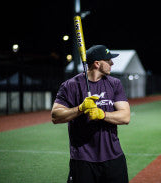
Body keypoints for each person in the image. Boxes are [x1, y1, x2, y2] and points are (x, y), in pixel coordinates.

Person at [51, 45, 130, 183]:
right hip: (82, 159)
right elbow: (55, 116)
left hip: (113, 157)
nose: (112, 63)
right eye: (108, 60)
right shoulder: (70, 85)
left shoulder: (115, 84)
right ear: (97, 63)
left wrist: (103, 114)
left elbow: (125, 117)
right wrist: (81, 108)